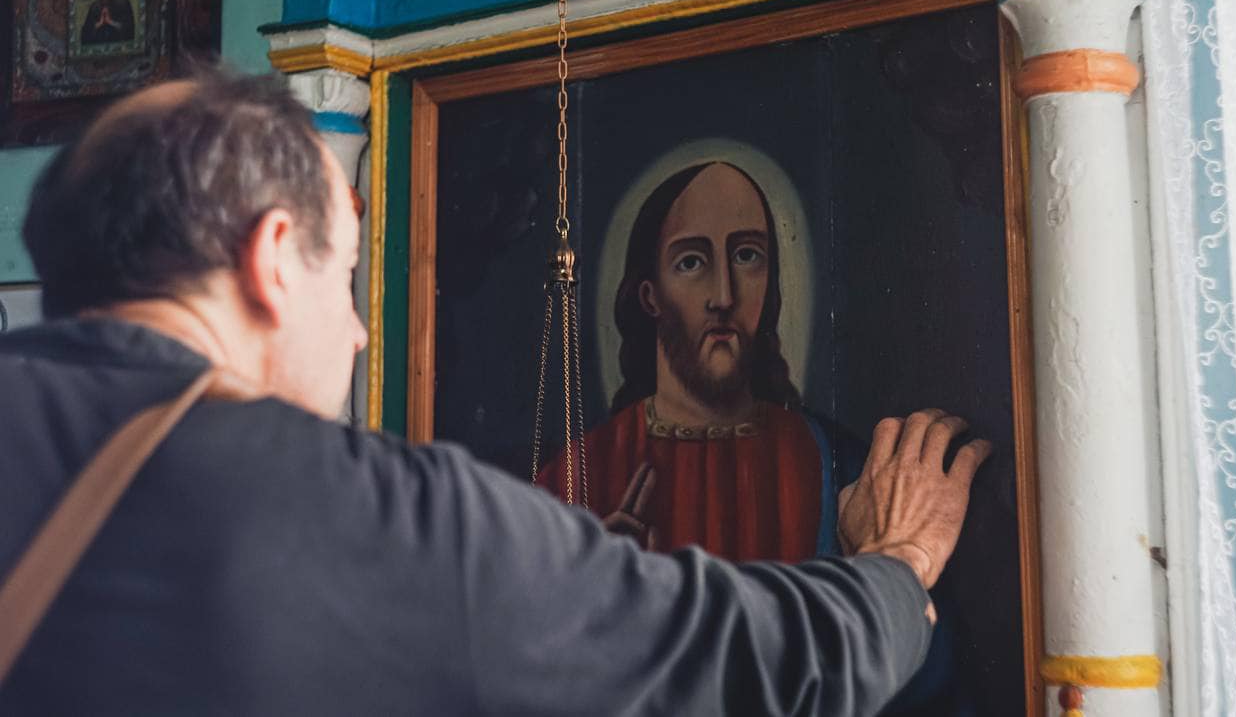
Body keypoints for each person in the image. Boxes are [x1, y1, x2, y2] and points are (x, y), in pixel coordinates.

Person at [0, 70, 990, 715]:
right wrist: (899, 563)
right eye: (345, 277)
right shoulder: (385, 518)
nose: (358, 331)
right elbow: (745, 663)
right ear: (272, 256)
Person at [538, 162, 834, 561]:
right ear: (650, 296)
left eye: (747, 255)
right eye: (691, 262)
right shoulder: (580, 473)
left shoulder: (822, 457)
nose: (724, 297)